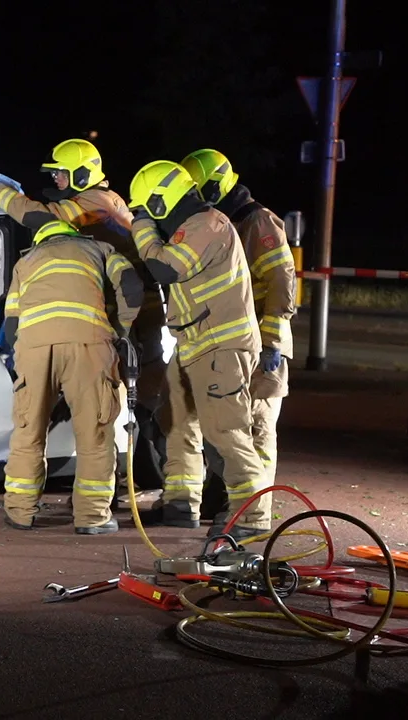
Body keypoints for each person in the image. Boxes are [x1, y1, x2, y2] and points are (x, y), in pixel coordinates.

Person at [0, 139, 169, 497]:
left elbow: (43, 220)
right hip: (126, 315)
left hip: (131, 317)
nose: (56, 179)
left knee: (115, 409)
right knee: (116, 407)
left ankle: (123, 488)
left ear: (82, 174)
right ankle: (115, 489)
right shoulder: (100, 201)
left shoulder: (95, 203)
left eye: (61, 173)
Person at [121, 160, 269, 540]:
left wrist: (140, 228)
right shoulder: (190, 228)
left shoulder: (208, 224)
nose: (143, 214)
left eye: (144, 207)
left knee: (227, 432)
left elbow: (165, 269)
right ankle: (182, 503)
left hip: (221, 347)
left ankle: (250, 517)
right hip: (193, 345)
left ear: (159, 201)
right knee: (177, 421)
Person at [181, 149, 296, 533]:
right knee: (228, 426)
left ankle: (253, 516)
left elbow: (281, 283)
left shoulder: (258, 221)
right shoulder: (219, 223)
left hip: (262, 345)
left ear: (214, 185)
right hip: (233, 341)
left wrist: (273, 343)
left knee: (258, 428)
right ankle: (228, 505)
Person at [1, 219, 130, 534]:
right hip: (89, 344)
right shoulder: (100, 249)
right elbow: (132, 285)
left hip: (33, 348)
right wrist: (123, 332)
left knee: (28, 431)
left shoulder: (25, 261)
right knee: (95, 434)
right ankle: (92, 517)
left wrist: (22, 361)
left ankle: (20, 511)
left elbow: (11, 324)